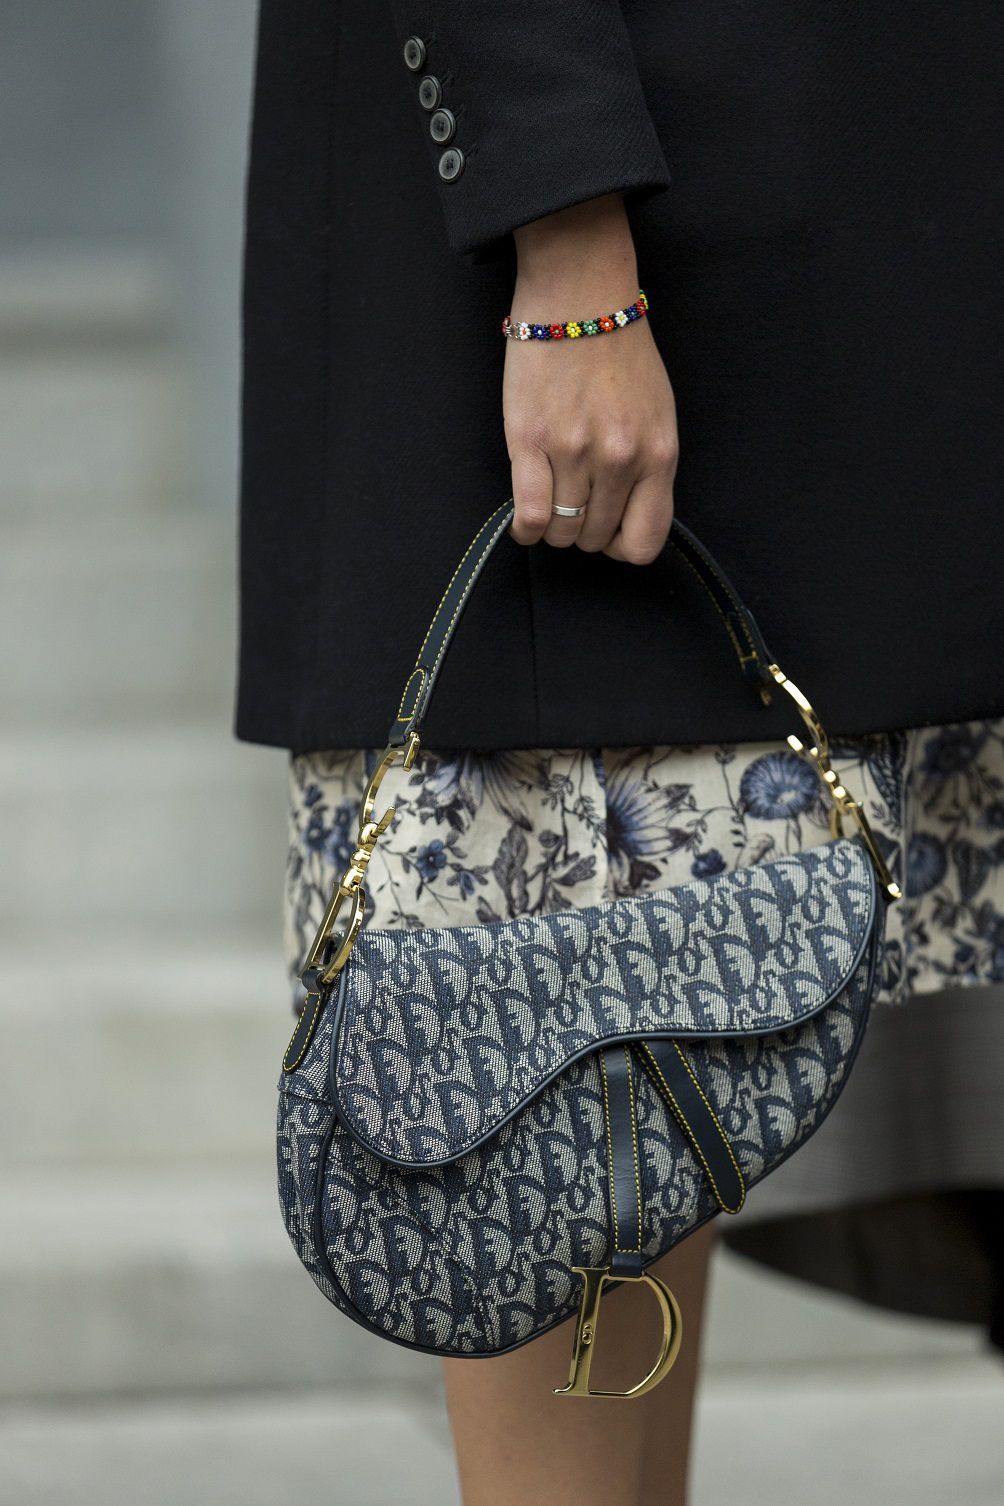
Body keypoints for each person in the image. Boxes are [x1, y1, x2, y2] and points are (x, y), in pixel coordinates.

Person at [238, 6, 1004, 1503]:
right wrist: (562, 223)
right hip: (610, 282)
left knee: (653, 1054)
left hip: (877, 294)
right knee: (542, 1062)